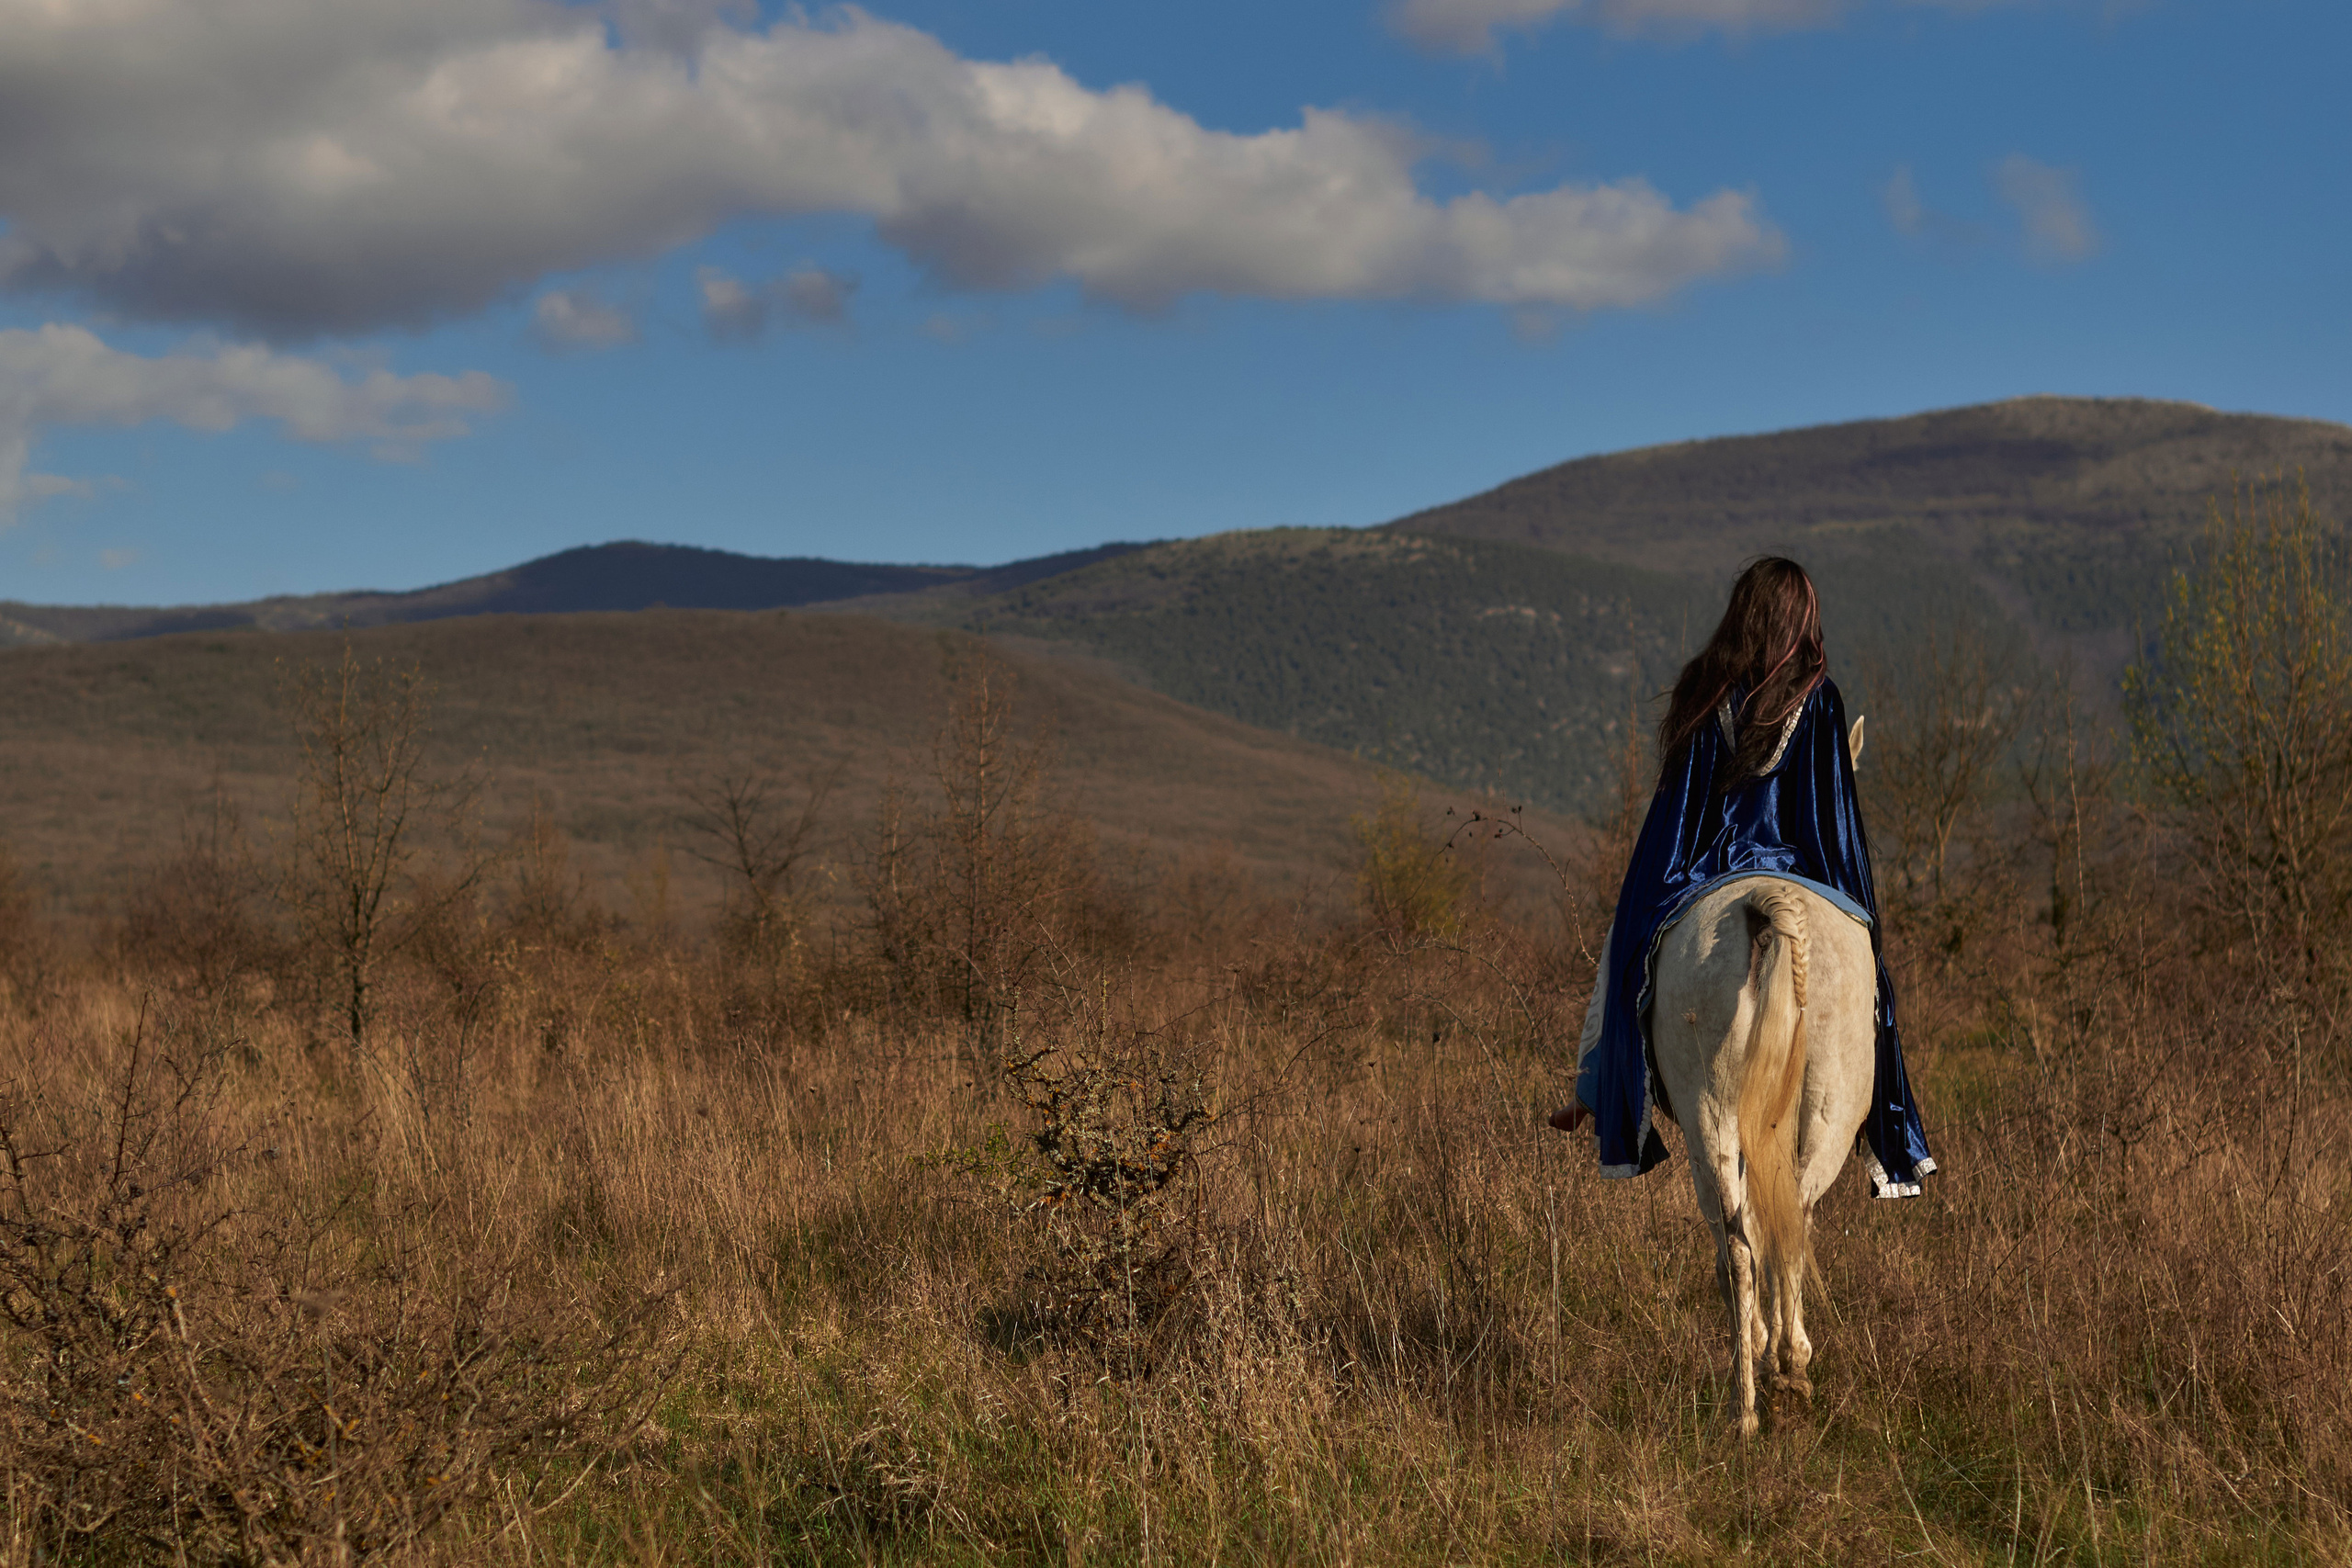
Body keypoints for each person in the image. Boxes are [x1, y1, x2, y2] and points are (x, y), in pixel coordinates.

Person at [1550, 557, 1936, 1199]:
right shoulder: (1821, 697)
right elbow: (1833, 818)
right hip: (1801, 867)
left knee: (1625, 937)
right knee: (1871, 980)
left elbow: (1679, 809)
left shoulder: (1705, 688)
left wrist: (1659, 880)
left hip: (1705, 865)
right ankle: (1887, 1118)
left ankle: (1591, 1087)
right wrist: (1856, 902)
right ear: (1797, 621)